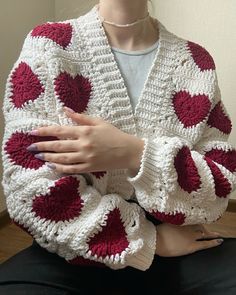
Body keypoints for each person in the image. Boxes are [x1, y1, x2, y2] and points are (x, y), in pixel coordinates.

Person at [0, 0, 236, 294]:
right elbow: (28, 187)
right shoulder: (50, 46)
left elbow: (219, 185)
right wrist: (150, 241)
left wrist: (136, 153)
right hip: (77, 244)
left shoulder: (195, 62)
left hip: (176, 235)